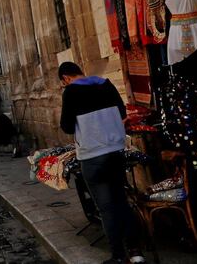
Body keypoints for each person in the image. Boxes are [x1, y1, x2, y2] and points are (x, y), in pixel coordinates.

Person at [58, 62, 145, 264]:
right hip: (115, 151)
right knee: (122, 202)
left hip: (92, 156)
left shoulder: (70, 92)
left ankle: (118, 256)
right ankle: (136, 253)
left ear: (65, 78)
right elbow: (122, 113)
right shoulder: (106, 84)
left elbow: (67, 126)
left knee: (106, 208)